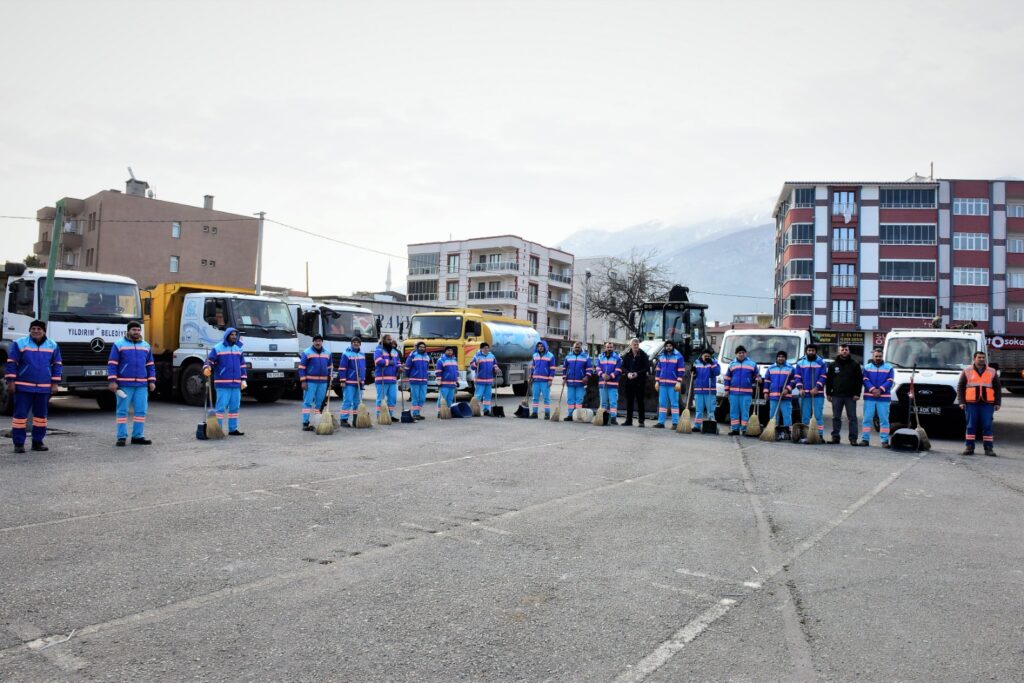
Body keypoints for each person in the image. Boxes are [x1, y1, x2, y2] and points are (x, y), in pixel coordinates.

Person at [6, 319, 61, 453]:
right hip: (23, 387)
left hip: (44, 387)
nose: (36, 331)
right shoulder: (20, 343)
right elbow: (11, 363)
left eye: (39, 329)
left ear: (44, 331)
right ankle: (18, 443)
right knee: (20, 416)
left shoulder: (52, 345)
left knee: (40, 417)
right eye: (33, 329)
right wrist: (11, 382)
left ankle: (37, 442)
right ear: (30, 330)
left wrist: (55, 384)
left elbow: (57, 365)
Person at [107, 320, 156, 446]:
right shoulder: (119, 344)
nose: (136, 332)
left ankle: (137, 436)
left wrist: (152, 381)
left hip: (141, 385)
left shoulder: (146, 346)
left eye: (138, 330)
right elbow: (112, 364)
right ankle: (121, 437)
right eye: (134, 330)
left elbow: (150, 365)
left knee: (141, 412)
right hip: (124, 385)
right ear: (128, 331)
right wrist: (112, 381)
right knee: (122, 412)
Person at [203, 327, 247, 436]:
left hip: (236, 384)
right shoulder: (218, 348)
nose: (234, 336)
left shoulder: (238, 349)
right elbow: (209, 361)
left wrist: (244, 380)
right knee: (221, 408)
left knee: (234, 407)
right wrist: (206, 368)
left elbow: (243, 366)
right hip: (222, 384)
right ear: (227, 335)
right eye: (232, 334)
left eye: (235, 335)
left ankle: (233, 429)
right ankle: (217, 430)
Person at [958, 351, 1001, 456]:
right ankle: (969, 447)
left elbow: (998, 388)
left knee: (987, 426)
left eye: (983, 357)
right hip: (971, 403)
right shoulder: (967, 371)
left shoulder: (992, 371)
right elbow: (960, 387)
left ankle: (988, 448)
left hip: (987, 404)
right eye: (979, 357)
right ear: (974, 358)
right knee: (970, 426)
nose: (982, 359)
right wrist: (961, 401)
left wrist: (997, 402)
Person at [825, 343, 862, 445]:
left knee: (852, 418)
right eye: (842, 350)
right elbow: (829, 380)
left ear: (848, 351)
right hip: (836, 395)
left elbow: (859, 381)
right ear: (839, 351)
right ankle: (835, 437)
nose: (844, 351)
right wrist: (828, 393)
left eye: (846, 349)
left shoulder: (855, 364)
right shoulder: (833, 365)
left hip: (850, 396)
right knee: (836, 417)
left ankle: (853, 438)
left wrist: (857, 393)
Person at [793, 343, 827, 442]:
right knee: (805, 416)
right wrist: (800, 388)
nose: (810, 352)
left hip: (818, 394)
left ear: (815, 351)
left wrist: (816, 388)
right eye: (809, 350)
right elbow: (797, 377)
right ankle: (805, 435)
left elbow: (823, 376)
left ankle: (819, 436)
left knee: (818, 415)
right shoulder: (800, 363)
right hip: (805, 394)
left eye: (812, 350)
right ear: (806, 351)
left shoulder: (821, 362)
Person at [861, 346, 894, 448]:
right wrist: (872, 390)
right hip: (869, 397)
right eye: (876, 356)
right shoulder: (867, 367)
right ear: (873, 356)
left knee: (884, 420)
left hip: (883, 397)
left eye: (880, 356)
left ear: (882, 356)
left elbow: (890, 381)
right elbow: (865, 379)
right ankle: (865, 439)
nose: (878, 358)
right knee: (866, 419)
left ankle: (884, 441)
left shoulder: (889, 367)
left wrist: (880, 390)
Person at [298, 334, 332, 431]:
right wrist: (303, 381)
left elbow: (330, 368)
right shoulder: (307, 352)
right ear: (313, 342)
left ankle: (318, 423)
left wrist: (330, 379)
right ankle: (305, 423)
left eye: (319, 341)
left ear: (322, 342)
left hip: (323, 382)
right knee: (307, 403)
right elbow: (301, 368)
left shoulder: (328, 353)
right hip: (310, 382)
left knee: (319, 403)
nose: (318, 342)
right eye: (316, 341)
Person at [723, 345, 758, 435]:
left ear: (745, 353)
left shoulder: (752, 364)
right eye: (739, 353)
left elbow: (756, 376)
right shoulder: (732, 364)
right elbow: (727, 378)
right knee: (734, 411)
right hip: (733, 393)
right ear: (736, 354)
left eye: (743, 352)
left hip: (746, 393)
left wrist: (758, 378)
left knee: (745, 412)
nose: (741, 354)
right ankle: (735, 429)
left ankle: (744, 429)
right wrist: (726, 390)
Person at [653, 340, 685, 429]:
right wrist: (657, 381)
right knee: (662, 404)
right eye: (667, 346)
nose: (668, 347)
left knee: (674, 404)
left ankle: (675, 423)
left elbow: (681, 370)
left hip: (673, 384)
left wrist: (679, 381)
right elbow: (658, 370)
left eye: (670, 346)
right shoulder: (662, 356)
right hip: (663, 384)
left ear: (673, 347)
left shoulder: (678, 356)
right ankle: (661, 422)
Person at [762, 350, 794, 440]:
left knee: (787, 415)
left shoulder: (790, 368)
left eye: (783, 357)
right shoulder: (771, 368)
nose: (781, 358)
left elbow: (794, 381)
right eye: (779, 356)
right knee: (773, 416)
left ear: (785, 358)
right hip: (773, 397)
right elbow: (767, 381)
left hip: (785, 397)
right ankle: (773, 432)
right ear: (776, 358)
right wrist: (765, 392)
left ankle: (788, 433)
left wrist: (787, 389)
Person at [337, 337, 366, 427]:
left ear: (360, 344)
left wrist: (362, 378)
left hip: (359, 382)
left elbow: (363, 368)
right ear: (351, 343)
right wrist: (342, 380)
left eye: (357, 342)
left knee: (357, 402)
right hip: (349, 381)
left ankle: (356, 420)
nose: (356, 343)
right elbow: (342, 368)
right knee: (348, 401)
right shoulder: (346, 354)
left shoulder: (362, 354)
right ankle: (343, 419)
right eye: (354, 342)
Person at [621, 338, 649, 427]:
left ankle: (641, 421)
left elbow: (646, 368)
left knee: (640, 401)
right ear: (631, 345)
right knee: (629, 402)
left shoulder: (643, 355)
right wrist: (628, 373)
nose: (636, 346)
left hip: (640, 382)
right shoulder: (627, 355)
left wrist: (637, 374)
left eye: (637, 344)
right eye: (634, 344)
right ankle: (629, 420)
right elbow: (623, 367)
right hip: (629, 382)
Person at [691, 348, 720, 432]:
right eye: (705, 356)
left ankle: (711, 425)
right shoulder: (696, 362)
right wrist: (692, 372)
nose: (707, 357)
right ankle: (697, 426)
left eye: (708, 356)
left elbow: (717, 372)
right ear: (702, 356)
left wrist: (712, 363)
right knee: (698, 409)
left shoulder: (714, 362)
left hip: (710, 390)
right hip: (699, 390)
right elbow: (694, 376)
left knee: (710, 410)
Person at [561, 341, 591, 421]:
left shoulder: (586, 357)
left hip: (581, 382)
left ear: (581, 348)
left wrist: (587, 377)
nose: (577, 348)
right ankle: (570, 415)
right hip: (570, 381)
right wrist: (564, 378)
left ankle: (578, 415)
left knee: (579, 399)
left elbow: (589, 369)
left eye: (578, 347)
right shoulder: (568, 356)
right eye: (575, 347)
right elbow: (564, 368)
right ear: (573, 348)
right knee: (570, 399)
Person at [373, 334, 400, 422]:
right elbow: (378, 361)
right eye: (388, 340)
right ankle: (379, 416)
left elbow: (398, 362)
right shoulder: (378, 349)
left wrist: (400, 367)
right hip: (382, 378)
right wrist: (389, 362)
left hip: (392, 379)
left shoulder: (394, 351)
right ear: (383, 340)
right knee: (381, 398)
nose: (390, 341)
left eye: (391, 339)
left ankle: (390, 415)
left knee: (393, 398)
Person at [595, 341, 622, 425]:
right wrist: (602, 374)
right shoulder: (600, 357)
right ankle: (603, 417)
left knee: (613, 402)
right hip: (602, 382)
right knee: (603, 402)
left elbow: (618, 370)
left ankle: (613, 418)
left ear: (613, 348)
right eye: (608, 347)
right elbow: (597, 368)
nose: (609, 348)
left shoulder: (617, 358)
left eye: (611, 347)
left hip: (613, 384)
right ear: (605, 348)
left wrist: (610, 376)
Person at [403, 341, 430, 421]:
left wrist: (426, 374)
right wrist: (410, 376)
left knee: (422, 398)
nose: (422, 348)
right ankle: (415, 413)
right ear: (417, 347)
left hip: (424, 380)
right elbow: (407, 367)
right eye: (420, 347)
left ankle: (417, 412)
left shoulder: (427, 357)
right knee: (415, 397)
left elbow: (427, 367)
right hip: (414, 380)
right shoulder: (412, 355)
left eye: (423, 347)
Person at [530, 341, 556, 419]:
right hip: (536, 380)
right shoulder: (535, 355)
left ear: (545, 346)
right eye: (539, 346)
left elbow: (552, 369)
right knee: (535, 397)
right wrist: (531, 377)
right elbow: (533, 367)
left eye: (541, 346)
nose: (540, 347)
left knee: (546, 398)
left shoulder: (550, 356)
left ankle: (547, 414)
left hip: (545, 381)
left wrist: (550, 380)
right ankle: (534, 413)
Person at [469, 342, 497, 415]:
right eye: (484, 348)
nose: (486, 349)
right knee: (478, 395)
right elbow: (472, 366)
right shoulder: (476, 356)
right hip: (480, 380)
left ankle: (486, 410)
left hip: (489, 380)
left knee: (488, 396)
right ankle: (475, 410)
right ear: (481, 349)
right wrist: (476, 364)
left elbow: (495, 364)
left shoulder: (492, 356)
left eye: (487, 348)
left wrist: (496, 369)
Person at [436, 346, 459, 415]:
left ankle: (447, 412)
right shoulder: (441, 360)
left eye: (451, 350)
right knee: (442, 399)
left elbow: (456, 371)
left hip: (452, 384)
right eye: (448, 350)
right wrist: (439, 381)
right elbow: (438, 371)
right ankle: (440, 412)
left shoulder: (454, 360)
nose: (450, 352)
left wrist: (457, 381)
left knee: (449, 400)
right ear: (445, 351)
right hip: (444, 384)